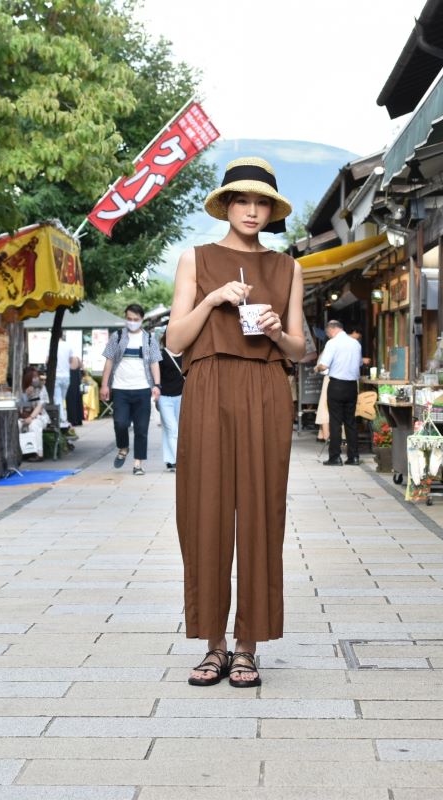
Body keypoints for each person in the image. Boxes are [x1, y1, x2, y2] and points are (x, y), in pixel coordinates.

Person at [166, 156, 305, 689]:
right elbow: (176, 340)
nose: (252, 210)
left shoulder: (288, 267)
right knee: (204, 509)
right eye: (242, 200)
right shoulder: (195, 259)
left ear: (272, 211)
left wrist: (273, 331)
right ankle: (213, 644)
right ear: (226, 205)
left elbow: (299, 349)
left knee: (261, 512)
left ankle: (248, 646)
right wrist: (213, 298)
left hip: (267, 388)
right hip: (207, 386)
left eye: (261, 202)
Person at [100, 304, 161, 475]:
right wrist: (105, 385)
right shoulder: (117, 337)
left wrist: (157, 385)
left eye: (135, 320)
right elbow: (109, 361)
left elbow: (155, 363)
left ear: (141, 320)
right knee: (120, 423)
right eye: (129, 319)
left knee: (141, 428)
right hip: (120, 389)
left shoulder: (149, 339)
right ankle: (123, 447)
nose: (132, 322)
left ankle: (138, 464)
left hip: (142, 389)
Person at [316, 319, 362, 465]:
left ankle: (335, 457)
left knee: (335, 422)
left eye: (328, 333)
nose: (328, 336)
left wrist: (316, 368)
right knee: (350, 422)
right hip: (352, 386)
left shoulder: (332, 343)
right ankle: (353, 457)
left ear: (331, 330)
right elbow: (359, 363)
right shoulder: (355, 343)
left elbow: (323, 365)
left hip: (336, 385)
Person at [156, 331, 184, 472]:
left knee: (174, 430)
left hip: (181, 396)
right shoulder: (161, 354)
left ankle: (170, 459)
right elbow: (156, 375)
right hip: (165, 397)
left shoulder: (186, 353)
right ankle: (178, 460)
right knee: (172, 429)